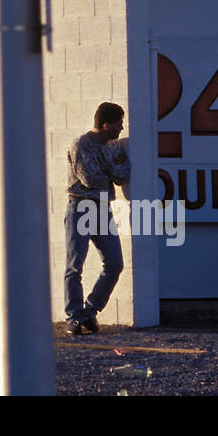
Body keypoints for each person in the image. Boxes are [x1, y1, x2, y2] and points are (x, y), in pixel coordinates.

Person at [63, 101, 130, 336]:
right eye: (118, 123)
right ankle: (74, 317)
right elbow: (91, 179)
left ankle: (90, 311)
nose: (121, 128)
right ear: (105, 124)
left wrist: (108, 169)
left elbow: (122, 177)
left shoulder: (111, 147)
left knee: (115, 263)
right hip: (81, 206)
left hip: (102, 208)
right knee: (75, 266)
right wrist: (112, 168)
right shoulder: (81, 144)